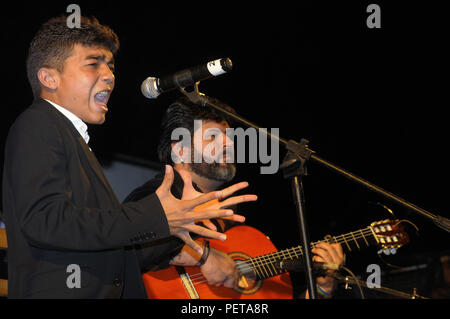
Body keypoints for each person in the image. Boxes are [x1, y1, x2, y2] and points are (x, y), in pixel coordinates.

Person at [1, 15, 255, 298]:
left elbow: (119, 256)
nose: (109, 75)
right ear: (49, 78)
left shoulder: (74, 142)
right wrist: (156, 215)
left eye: (110, 65)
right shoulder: (38, 123)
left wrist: (176, 226)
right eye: (92, 63)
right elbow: (44, 220)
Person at [124, 96, 345, 298]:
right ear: (180, 150)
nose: (229, 144)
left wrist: (322, 289)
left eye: (230, 137)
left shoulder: (234, 218)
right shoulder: (157, 194)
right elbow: (124, 248)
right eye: (213, 137)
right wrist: (203, 256)